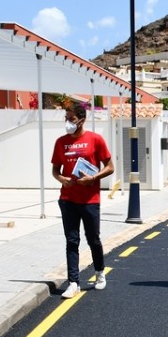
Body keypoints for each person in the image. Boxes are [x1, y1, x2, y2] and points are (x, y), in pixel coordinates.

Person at [51, 101, 114, 299]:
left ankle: (99, 273)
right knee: (71, 241)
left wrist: (94, 178)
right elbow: (55, 170)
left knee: (93, 238)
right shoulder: (61, 142)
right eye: (66, 119)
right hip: (67, 199)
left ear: (82, 120)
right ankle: (73, 282)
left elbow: (110, 166)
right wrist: (62, 179)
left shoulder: (95, 140)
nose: (68, 122)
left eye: (72, 119)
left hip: (90, 200)